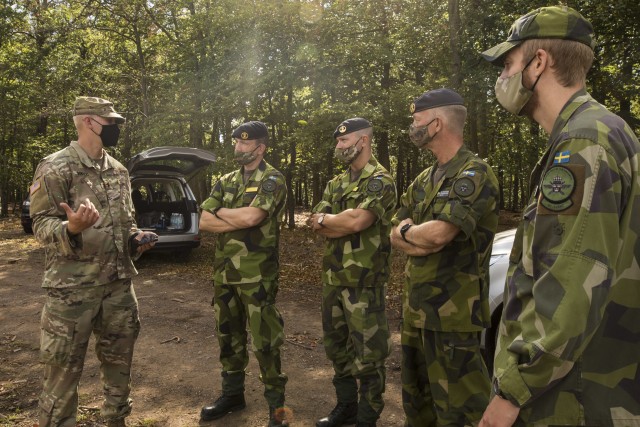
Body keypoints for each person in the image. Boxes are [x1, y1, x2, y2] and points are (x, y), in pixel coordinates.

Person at [479, 5, 640, 426]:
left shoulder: (585, 143)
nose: (502, 78)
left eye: (508, 64)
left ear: (539, 62)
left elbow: (572, 280)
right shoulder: (599, 131)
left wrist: (513, 392)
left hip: (574, 397)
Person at [29, 96, 157, 427]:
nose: (115, 128)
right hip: (72, 293)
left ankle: (116, 421)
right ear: (89, 121)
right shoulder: (55, 167)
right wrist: (70, 228)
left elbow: (125, 223)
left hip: (117, 288)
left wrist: (134, 239)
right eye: (110, 122)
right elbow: (40, 225)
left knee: (119, 374)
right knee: (61, 379)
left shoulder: (119, 170)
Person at [390, 88, 499, 426]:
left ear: (436, 124)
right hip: (416, 312)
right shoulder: (423, 180)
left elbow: (440, 235)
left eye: (416, 120)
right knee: (418, 407)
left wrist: (412, 234)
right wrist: (412, 235)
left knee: (462, 412)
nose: (412, 126)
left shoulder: (474, 174)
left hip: (453, 318)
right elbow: (394, 231)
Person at [199, 121, 289, 426]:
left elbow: (254, 216)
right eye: (236, 141)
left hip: (257, 275)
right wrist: (235, 217)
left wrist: (223, 212)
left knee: (265, 342)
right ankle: (233, 395)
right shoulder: (225, 180)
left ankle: (277, 410)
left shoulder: (272, 179)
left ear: (259, 148)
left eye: (243, 143)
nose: (237, 147)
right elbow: (204, 222)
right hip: (225, 275)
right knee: (229, 338)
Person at [309, 118, 396, 427]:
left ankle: (367, 416)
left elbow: (359, 221)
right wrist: (333, 223)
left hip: (364, 282)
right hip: (333, 279)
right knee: (337, 348)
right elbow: (316, 223)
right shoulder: (336, 183)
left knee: (369, 355)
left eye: (344, 141)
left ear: (363, 141)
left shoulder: (380, 180)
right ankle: (345, 406)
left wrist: (332, 222)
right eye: (338, 141)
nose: (339, 146)